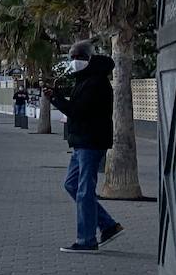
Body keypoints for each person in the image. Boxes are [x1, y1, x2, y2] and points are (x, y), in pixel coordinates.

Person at [45, 41, 124, 253]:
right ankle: (108, 225)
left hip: (91, 142)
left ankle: (86, 240)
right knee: (72, 185)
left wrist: (56, 98)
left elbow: (78, 111)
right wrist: (57, 96)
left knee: (84, 191)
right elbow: (76, 108)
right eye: (70, 57)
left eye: (76, 56)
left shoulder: (96, 82)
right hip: (82, 142)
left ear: (87, 58)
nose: (72, 61)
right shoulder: (86, 80)